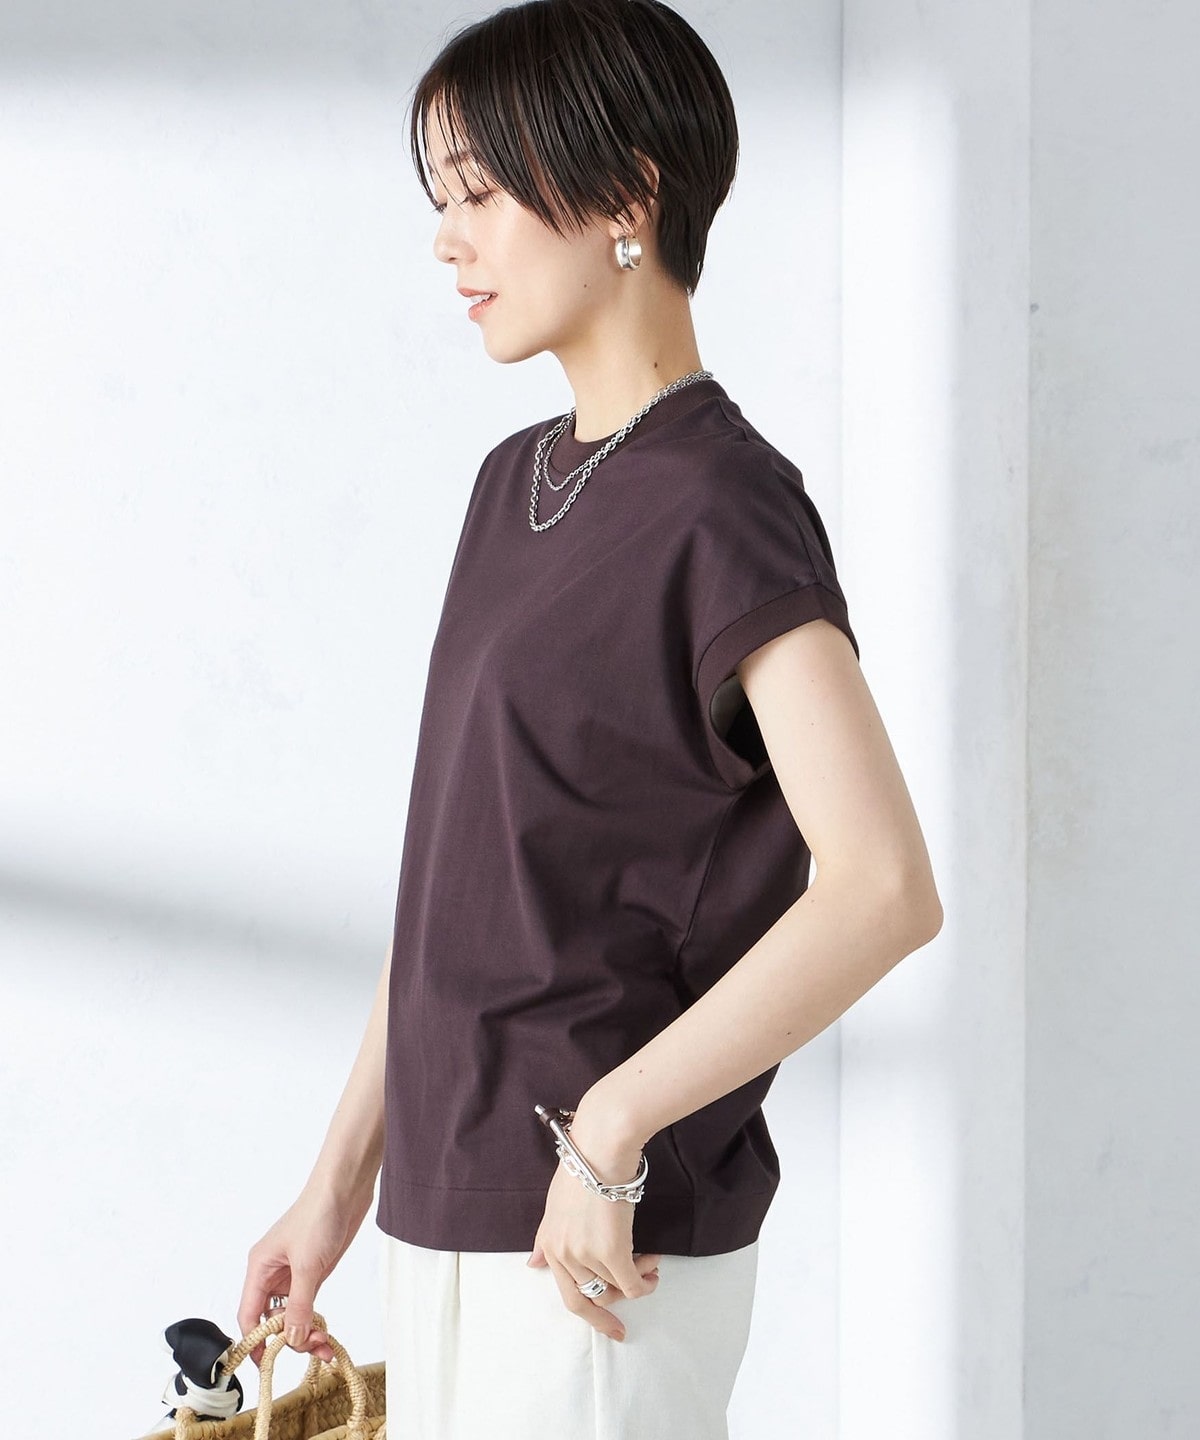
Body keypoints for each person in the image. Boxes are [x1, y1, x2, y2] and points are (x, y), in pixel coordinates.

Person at [237, 1, 944, 1435]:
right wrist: (337, 1184)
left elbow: (883, 888)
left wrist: (614, 1124)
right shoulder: (512, 484)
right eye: (441, 199)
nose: (449, 241)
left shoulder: (724, 504)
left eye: (480, 193)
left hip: (601, 1243)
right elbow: (458, 888)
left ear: (627, 194)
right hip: (450, 1212)